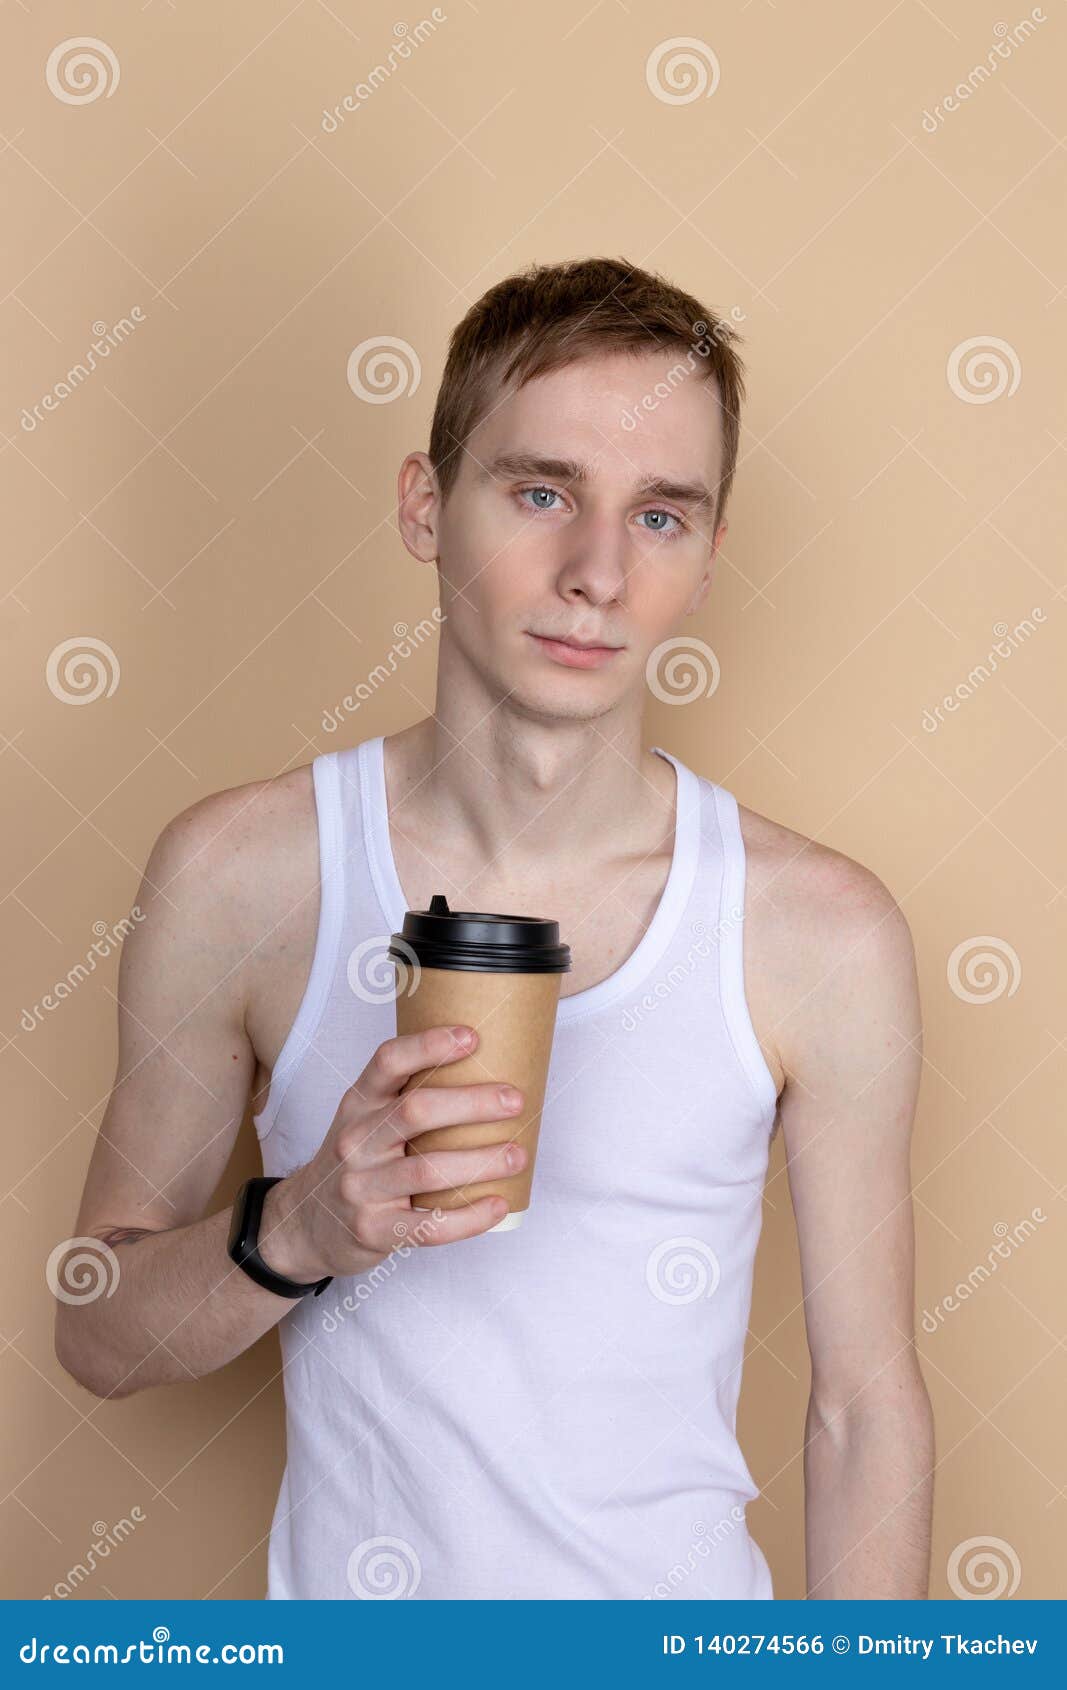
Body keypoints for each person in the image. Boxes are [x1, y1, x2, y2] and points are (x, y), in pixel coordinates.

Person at [54, 256, 934, 1600]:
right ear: (426, 505)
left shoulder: (821, 933)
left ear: (706, 560)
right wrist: (298, 1229)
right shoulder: (242, 875)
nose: (597, 574)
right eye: (542, 493)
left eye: (659, 516)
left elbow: (862, 1410)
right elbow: (97, 1333)